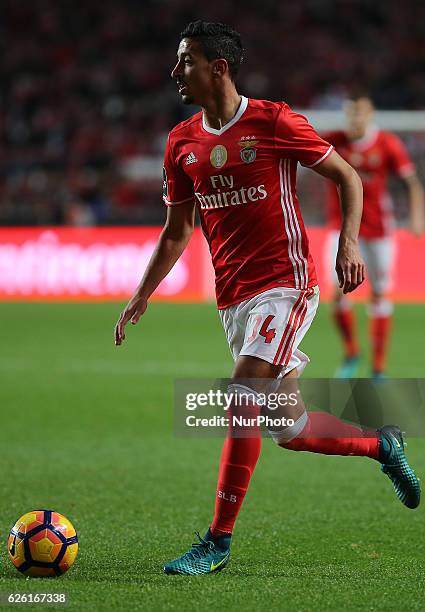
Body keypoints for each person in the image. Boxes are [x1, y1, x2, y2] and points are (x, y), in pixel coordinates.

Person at [114, 21, 420, 575]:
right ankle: (383, 446)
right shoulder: (181, 141)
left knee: (241, 394)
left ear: (219, 68)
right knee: (291, 429)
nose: (175, 72)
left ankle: (217, 542)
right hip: (235, 298)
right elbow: (177, 230)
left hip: (287, 282)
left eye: (186, 61)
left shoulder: (272, 120)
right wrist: (142, 294)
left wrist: (347, 243)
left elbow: (347, 176)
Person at [324, 94, 425, 378]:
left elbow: (411, 183)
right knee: (337, 292)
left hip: (379, 229)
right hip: (342, 228)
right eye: (352, 114)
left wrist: (417, 216)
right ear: (347, 116)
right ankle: (351, 352)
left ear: (370, 116)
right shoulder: (335, 141)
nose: (356, 120)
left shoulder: (387, 143)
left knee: (379, 293)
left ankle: (378, 366)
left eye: (361, 114)